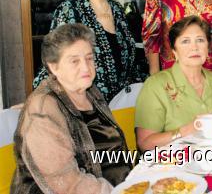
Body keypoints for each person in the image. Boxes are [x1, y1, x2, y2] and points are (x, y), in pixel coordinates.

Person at [11, 24, 132, 193]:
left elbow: (110, 150)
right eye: (74, 61)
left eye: (89, 58)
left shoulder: (90, 92)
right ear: (54, 66)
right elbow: (67, 183)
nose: (85, 67)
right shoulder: (42, 110)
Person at [33, 0, 144, 103]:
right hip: (86, 111)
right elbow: (54, 63)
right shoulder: (70, 10)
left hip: (121, 108)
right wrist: (39, 100)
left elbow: (130, 64)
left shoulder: (117, 10)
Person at [135, 16, 212, 150]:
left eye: (200, 40)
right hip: (171, 166)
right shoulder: (155, 86)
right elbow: (145, 144)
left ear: (207, 47)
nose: (194, 47)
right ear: (174, 51)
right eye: (185, 41)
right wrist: (186, 130)